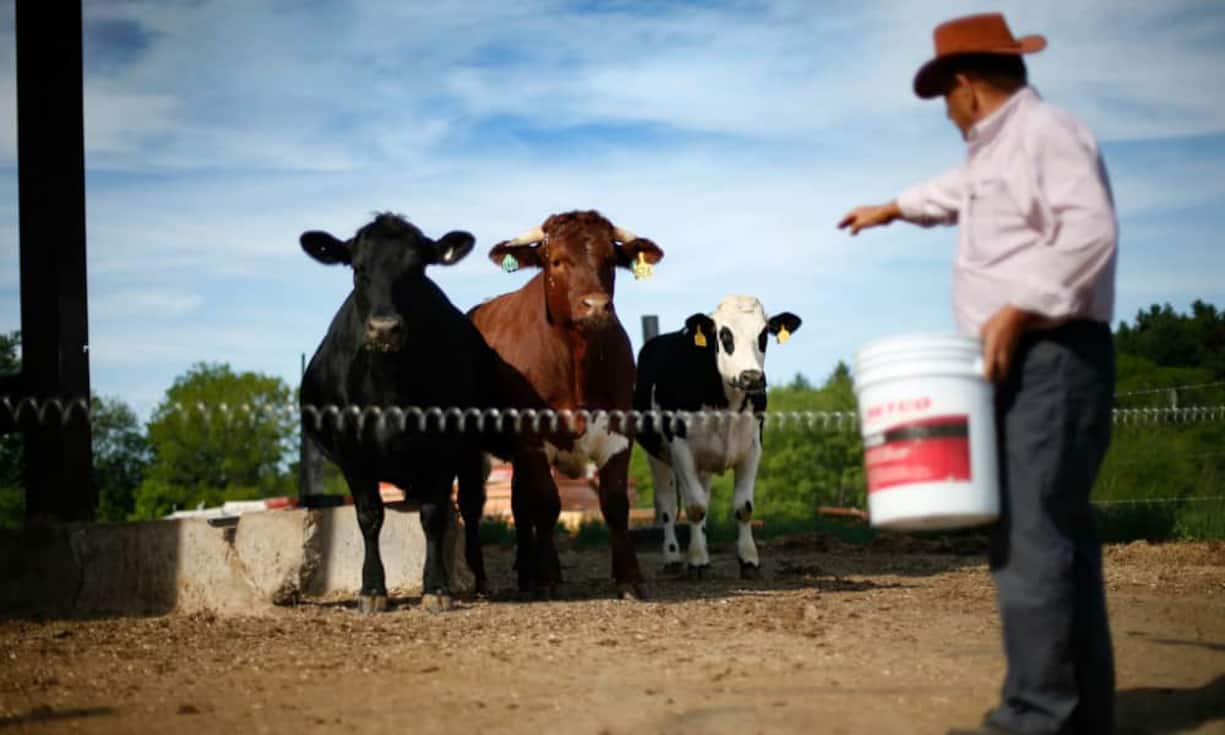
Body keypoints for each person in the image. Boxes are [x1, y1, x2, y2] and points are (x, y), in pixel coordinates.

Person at [838, 13, 1118, 735]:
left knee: (1031, 539)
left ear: (965, 86)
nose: (946, 111)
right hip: (1029, 356)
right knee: (1053, 536)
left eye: (945, 96)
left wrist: (1018, 309)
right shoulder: (994, 154)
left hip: (1052, 355)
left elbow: (1088, 229)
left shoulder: (1046, 133)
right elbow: (952, 191)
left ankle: (1035, 716)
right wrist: (890, 209)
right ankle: (1077, 712)